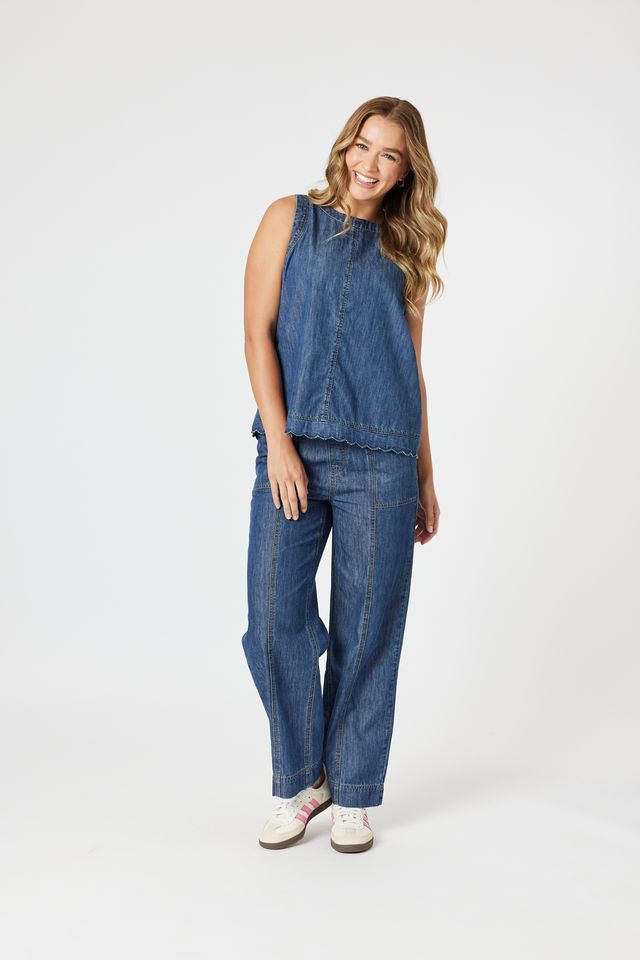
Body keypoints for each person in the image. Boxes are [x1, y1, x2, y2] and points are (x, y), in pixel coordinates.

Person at [241, 96, 446, 853]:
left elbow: (412, 370)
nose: (370, 163)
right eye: (364, 145)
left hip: (384, 457)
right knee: (272, 622)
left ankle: (355, 787)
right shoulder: (287, 218)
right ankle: (305, 778)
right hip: (293, 452)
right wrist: (282, 443)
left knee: (368, 629)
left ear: (406, 170)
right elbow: (257, 335)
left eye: (389, 155)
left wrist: (426, 474)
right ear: (345, 146)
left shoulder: (406, 247)